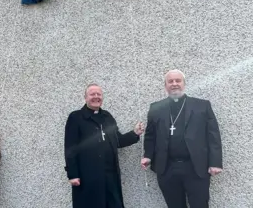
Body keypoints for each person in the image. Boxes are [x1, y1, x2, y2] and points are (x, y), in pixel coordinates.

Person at [142, 69, 223, 208]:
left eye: (178, 80)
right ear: (165, 85)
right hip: (167, 168)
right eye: (170, 81)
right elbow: (150, 135)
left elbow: (213, 134)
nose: (174, 84)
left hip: (196, 167)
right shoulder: (155, 108)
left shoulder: (202, 105)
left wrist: (215, 162)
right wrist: (148, 156)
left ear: (184, 84)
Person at [64, 83, 144, 208]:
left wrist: (135, 133)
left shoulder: (107, 117)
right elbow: (70, 148)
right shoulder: (76, 117)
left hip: (110, 176)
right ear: (85, 97)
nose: (96, 97)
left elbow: (118, 141)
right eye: (92, 94)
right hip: (88, 176)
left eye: (99, 94)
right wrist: (73, 174)